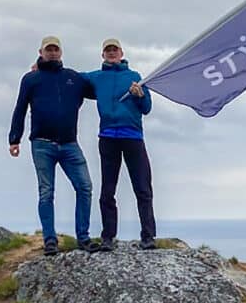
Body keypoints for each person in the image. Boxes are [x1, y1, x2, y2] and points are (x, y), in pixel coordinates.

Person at [9, 36, 99, 256]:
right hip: (42, 144)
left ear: (61, 52)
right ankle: (50, 240)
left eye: (55, 49)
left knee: (84, 187)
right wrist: (14, 139)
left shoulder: (73, 78)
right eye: (48, 49)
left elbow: (100, 89)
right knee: (46, 192)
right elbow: (20, 108)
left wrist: (127, 86)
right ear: (41, 52)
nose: (52, 52)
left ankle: (83, 238)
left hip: (69, 144)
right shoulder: (31, 79)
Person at [84, 38, 157, 251]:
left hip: (132, 136)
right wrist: (41, 69)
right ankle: (108, 237)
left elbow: (147, 108)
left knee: (143, 188)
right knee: (107, 191)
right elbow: (69, 78)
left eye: (114, 50)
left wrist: (140, 95)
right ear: (103, 54)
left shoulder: (134, 77)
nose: (111, 53)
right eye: (108, 50)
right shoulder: (96, 77)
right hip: (108, 137)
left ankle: (148, 236)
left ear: (121, 53)